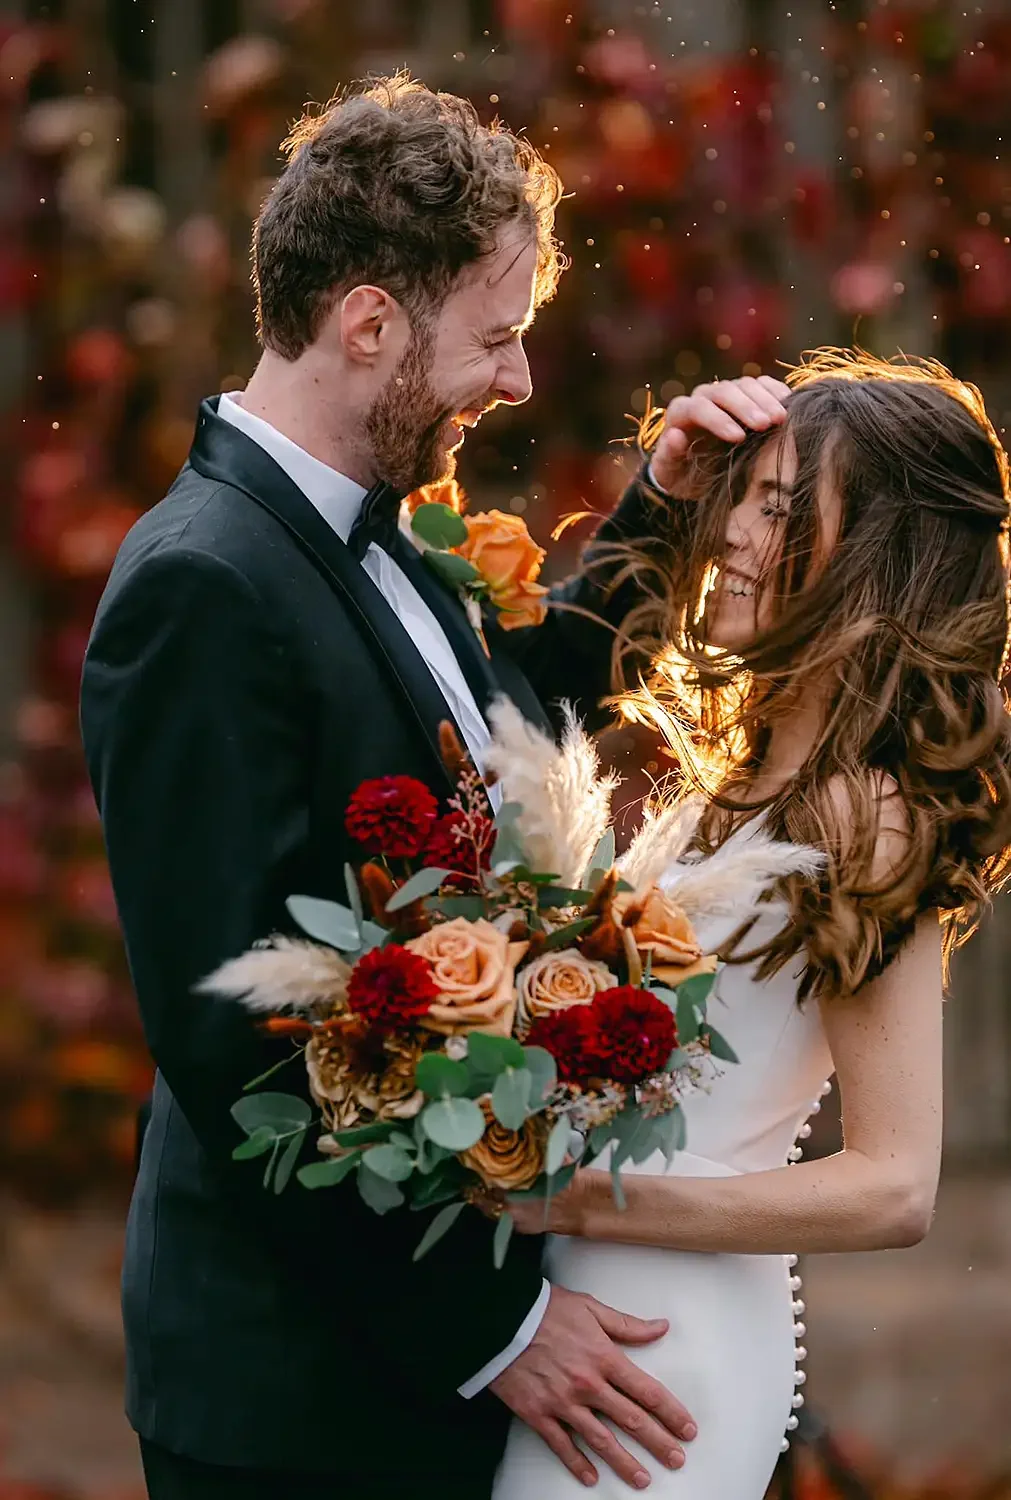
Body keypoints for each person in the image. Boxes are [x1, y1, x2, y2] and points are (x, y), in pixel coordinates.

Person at [79, 74, 705, 1500]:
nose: (519, 381)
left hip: (388, 1366)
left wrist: (663, 501)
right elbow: (231, 1033)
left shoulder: (380, 537)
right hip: (293, 1394)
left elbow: (515, 714)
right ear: (369, 323)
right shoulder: (200, 588)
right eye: (495, 338)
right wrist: (490, 1332)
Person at [498, 348, 1011, 1498]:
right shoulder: (744, 780)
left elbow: (892, 1185)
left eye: (778, 511)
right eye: (741, 500)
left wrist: (579, 1199)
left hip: (665, 1349)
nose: (730, 534)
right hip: (604, 1316)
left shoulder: (863, 808)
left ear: (876, 559)